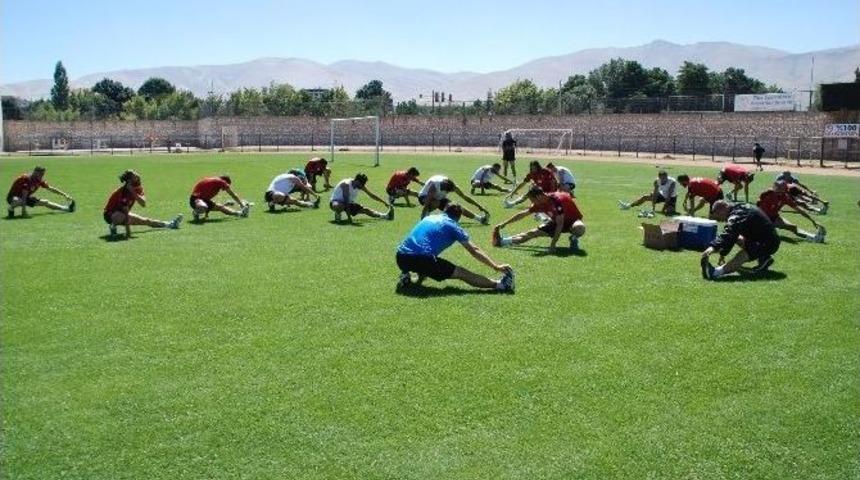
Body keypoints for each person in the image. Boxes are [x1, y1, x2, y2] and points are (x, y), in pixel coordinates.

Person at [395, 203, 514, 293]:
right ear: (459, 217)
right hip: (423, 259)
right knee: (462, 273)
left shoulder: (429, 218)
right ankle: (501, 285)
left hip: (401, 257)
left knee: (426, 256)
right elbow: (474, 250)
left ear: (444, 210)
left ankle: (406, 275)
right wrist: (495, 266)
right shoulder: (453, 226)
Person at [701, 200, 780, 280]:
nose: (719, 218)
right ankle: (765, 258)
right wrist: (723, 253)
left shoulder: (736, 215)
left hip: (767, 243)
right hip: (764, 239)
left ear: (724, 208)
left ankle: (715, 272)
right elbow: (733, 236)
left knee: (743, 255)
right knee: (738, 238)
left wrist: (712, 248)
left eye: (718, 214)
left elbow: (729, 232)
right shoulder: (738, 207)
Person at [493, 186, 586, 252]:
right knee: (531, 234)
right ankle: (502, 241)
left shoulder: (557, 201)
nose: (531, 202)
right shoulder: (539, 203)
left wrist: (552, 245)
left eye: (532, 200)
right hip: (556, 222)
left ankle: (573, 238)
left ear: (538, 196)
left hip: (572, 222)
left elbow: (560, 224)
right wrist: (505, 223)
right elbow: (523, 214)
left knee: (580, 227)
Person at [103, 170, 182, 238]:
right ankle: (113, 226)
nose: (138, 177)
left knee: (146, 221)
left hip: (123, 213)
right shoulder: (123, 192)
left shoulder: (138, 188)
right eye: (135, 176)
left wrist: (133, 191)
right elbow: (125, 212)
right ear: (130, 181)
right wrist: (128, 232)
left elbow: (143, 203)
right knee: (120, 216)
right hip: (110, 214)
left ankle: (170, 224)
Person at [757, 181, 825, 242]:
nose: (777, 188)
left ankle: (813, 237)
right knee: (769, 233)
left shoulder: (785, 197)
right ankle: (814, 238)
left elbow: (799, 209)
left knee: (793, 227)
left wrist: (812, 220)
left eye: (780, 188)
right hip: (762, 218)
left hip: (774, 217)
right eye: (777, 187)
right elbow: (759, 206)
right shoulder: (768, 194)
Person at [6, 166, 75, 218]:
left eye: (43, 174)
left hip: (25, 197)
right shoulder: (26, 179)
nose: (42, 175)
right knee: (19, 200)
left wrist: (64, 194)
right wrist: (24, 211)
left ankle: (67, 209)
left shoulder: (39, 180)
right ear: (35, 172)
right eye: (41, 173)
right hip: (13, 198)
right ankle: (11, 208)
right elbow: (24, 195)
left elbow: (51, 189)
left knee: (45, 202)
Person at [418, 174, 490, 224]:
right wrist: (422, 222)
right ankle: (426, 220)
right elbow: (427, 204)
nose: (446, 192)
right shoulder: (434, 186)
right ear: (443, 186)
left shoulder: (452, 186)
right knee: (435, 203)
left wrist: (479, 206)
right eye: (446, 191)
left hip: (439, 198)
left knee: (457, 207)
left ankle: (480, 219)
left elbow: (465, 197)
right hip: (424, 197)